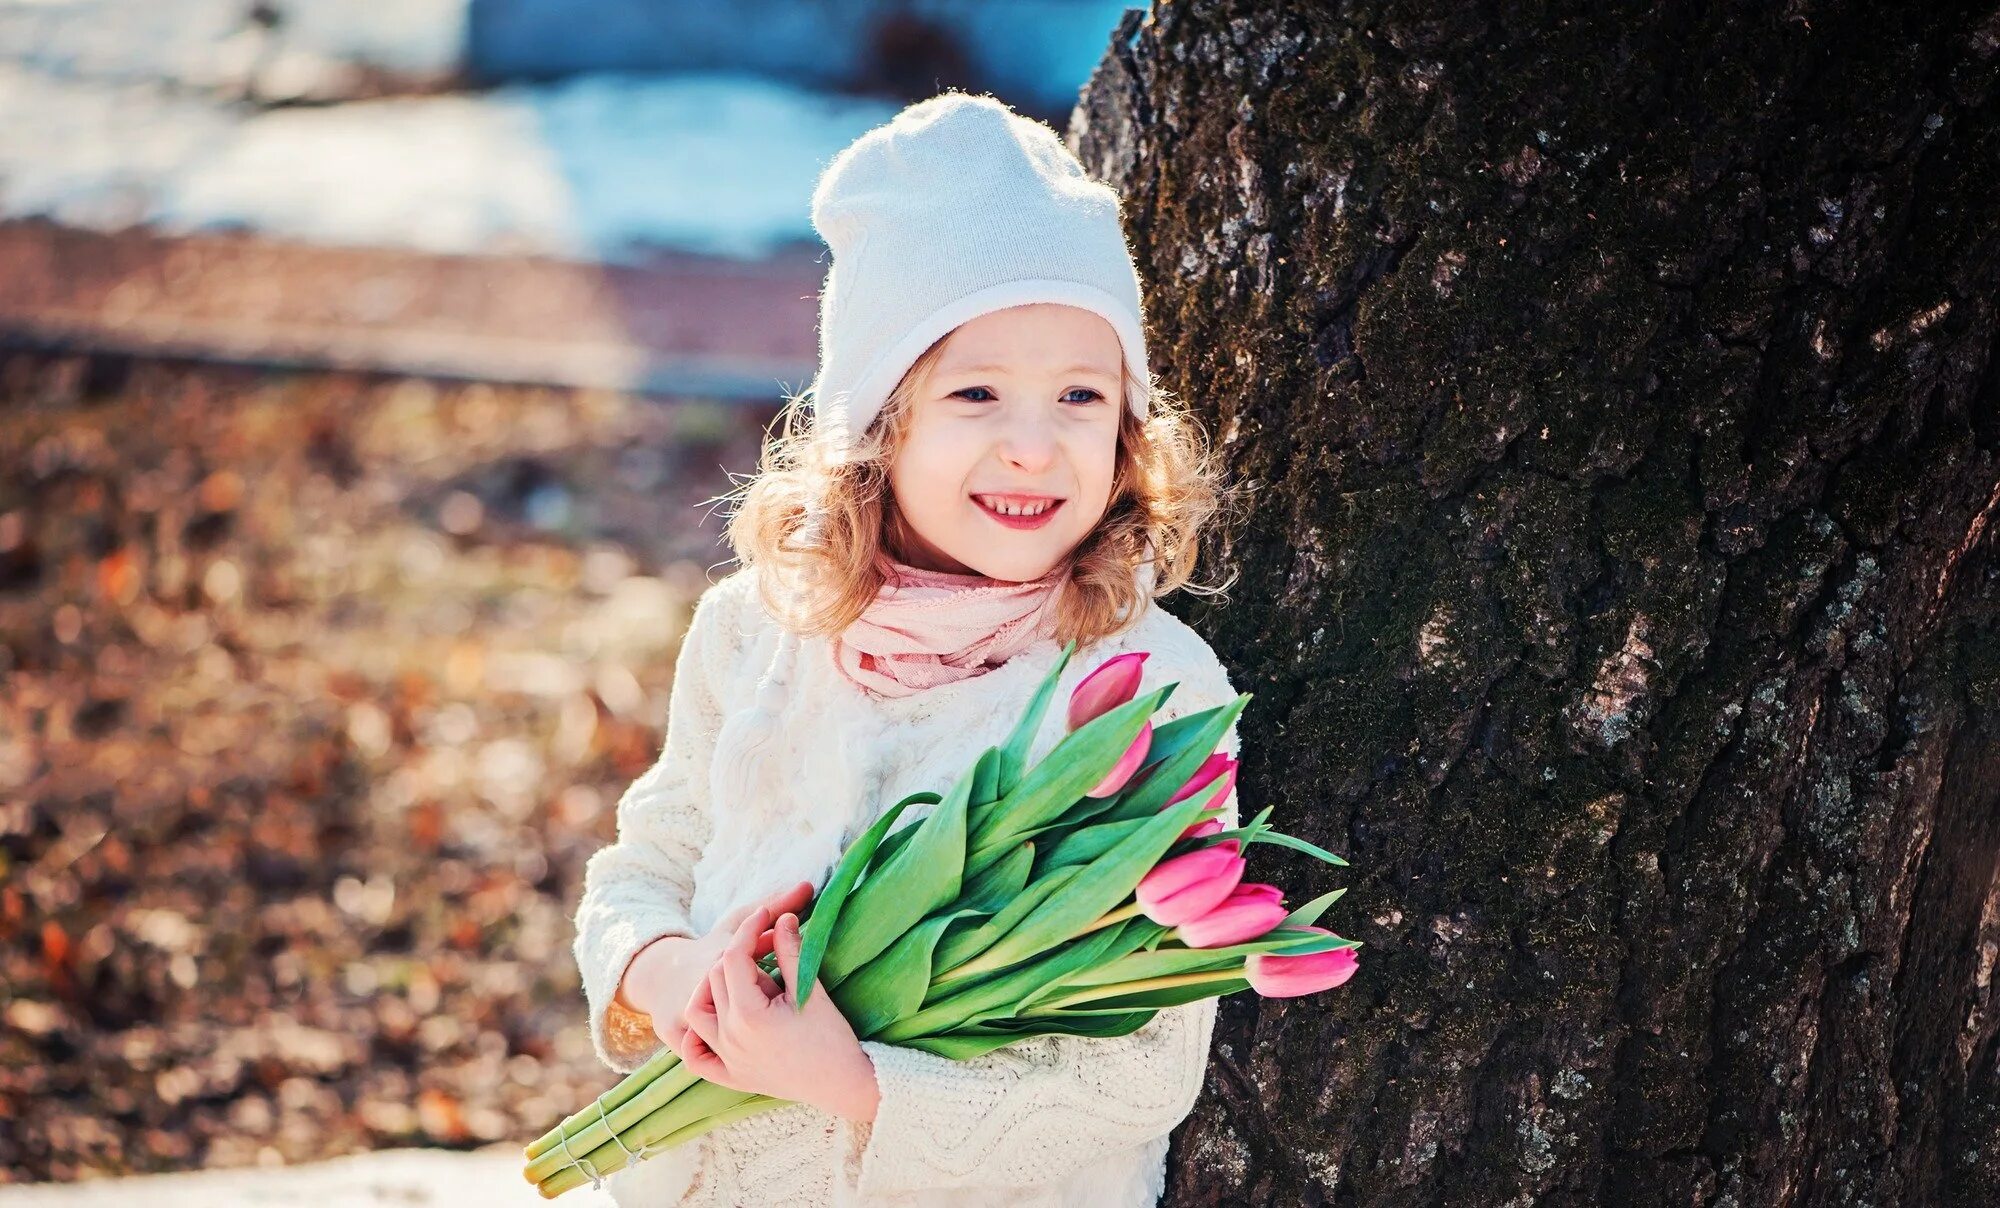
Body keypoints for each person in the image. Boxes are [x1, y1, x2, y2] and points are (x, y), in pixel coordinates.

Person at [570, 89, 1248, 1206]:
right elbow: (645, 861)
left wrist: (855, 1080)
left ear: (1127, 433)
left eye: (1080, 395)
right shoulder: (758, 631)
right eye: (974, 391)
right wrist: (673, 970)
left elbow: (1143, 1068)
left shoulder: (1146, 689)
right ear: (878, 424)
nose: (1032, 445)